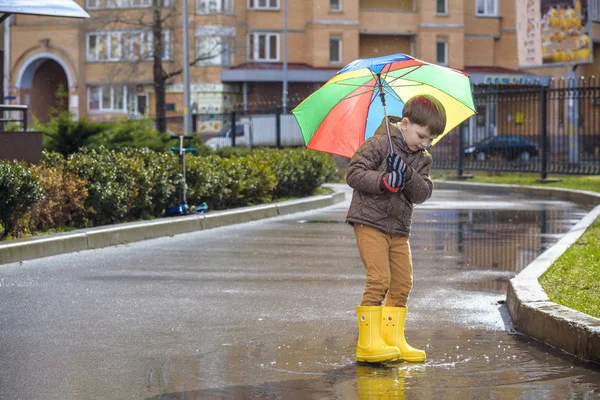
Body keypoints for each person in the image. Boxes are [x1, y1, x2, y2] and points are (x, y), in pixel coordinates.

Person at [346, 94, 446, 363]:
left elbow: (422, 192)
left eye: (430, 140)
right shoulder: (379, 143)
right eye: (422, 136)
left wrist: (408, 175)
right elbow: (353, 174)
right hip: (370, 222)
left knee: (402, 283)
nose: (425, 144)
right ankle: (368, 343)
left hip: (399, 228)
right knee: (379, 279)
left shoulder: (423, 158)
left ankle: (392, 341)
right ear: (405, 123)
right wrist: (385, 180)